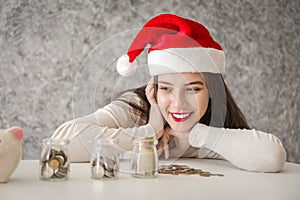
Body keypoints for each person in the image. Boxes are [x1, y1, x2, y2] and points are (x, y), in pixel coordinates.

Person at [51, 14, 286, 172]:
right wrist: (149, 131)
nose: (178, 103)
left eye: (193, 89)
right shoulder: (138, 107)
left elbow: (273, 156)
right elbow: (63, 142)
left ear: (213, 89)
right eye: (166, 88)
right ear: (153, 89)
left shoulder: (216, 124)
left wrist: (195, 135)